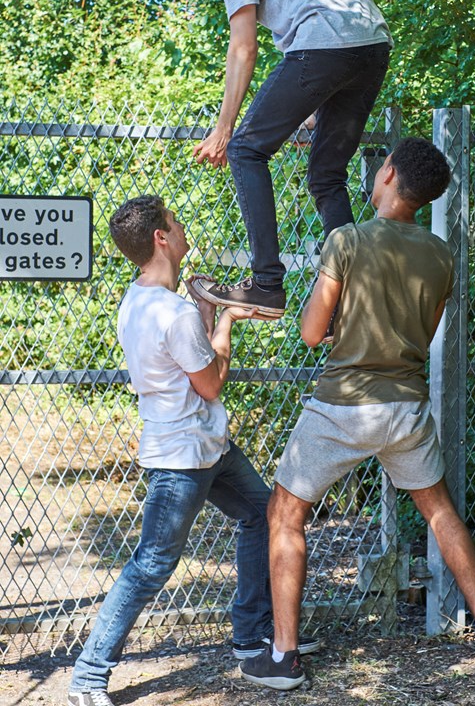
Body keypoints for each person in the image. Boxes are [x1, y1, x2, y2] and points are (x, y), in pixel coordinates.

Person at [239, 138, 475, 691]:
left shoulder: (347, 240)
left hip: (346, 404)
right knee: (438, 510)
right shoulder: (440, 254)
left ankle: (284, 655)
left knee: (285, 512)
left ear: (387, 174)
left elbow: (312, 332)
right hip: (407, 407)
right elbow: (423, 336)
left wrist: (342, 323)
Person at [67, 196, 319, 706]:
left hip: (205, 447)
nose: (183, 230)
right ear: (161, 238)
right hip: (181, 459)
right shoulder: (173, 313)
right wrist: (225, 321)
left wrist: (204, 309)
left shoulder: (138, 300)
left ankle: (251, 637)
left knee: (260, 513)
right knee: (151, 565)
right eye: (175, 224)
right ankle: (88, 677)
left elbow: (187, 359)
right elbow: (211, 382)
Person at [192, 0, 392, 319]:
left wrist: (224, 130)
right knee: (326, 174)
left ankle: (266, 284)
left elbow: (244, 46)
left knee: (247, 149)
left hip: (323, 50)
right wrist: (309, 112)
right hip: (373, 47)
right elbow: (337, 28)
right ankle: (353, 296)